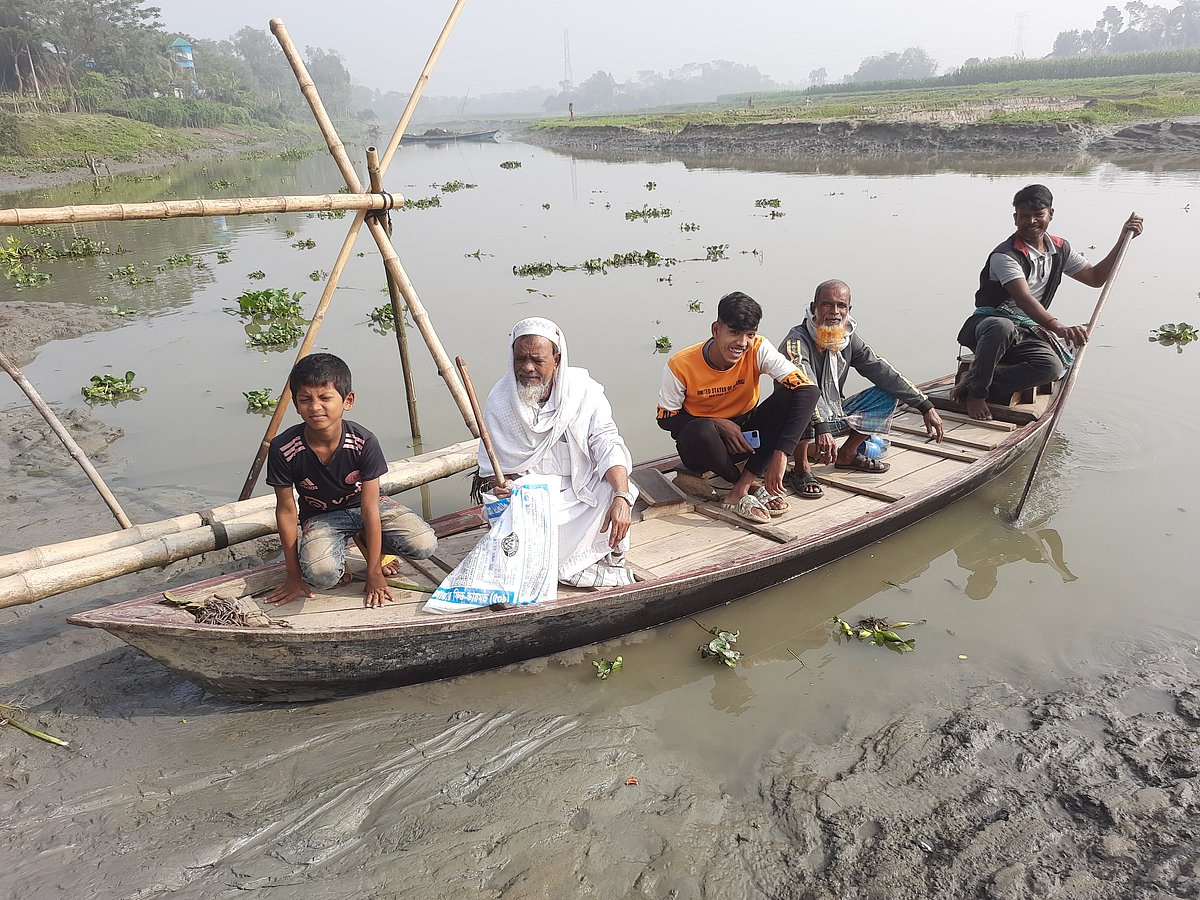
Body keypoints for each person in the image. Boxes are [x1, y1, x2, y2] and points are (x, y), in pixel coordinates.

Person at [951, 184, 1144, 420]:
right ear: (1015, 218)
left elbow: (1095, 278)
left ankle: (973, 380)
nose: (1031, 221)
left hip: (1026, 331)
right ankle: (977, 394)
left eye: (1038, 215)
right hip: (987, 329)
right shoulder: (1005, 255)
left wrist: (1122, 239)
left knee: (1050, 368)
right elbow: (1024, 299)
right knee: (1002, 326)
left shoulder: (1060, 249)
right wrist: (1059, 327)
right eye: (1024, 216)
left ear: (1050, 214)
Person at [263, 353, 437, 608]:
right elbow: (287, 511)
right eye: (305, 399)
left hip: (366, 507)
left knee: (424, 545)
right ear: (296, 404)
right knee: (321, 576)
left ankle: (367, 542)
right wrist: (293, 575)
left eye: (324, 398)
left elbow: (370, 507)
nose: (315, 407)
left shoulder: (363, 442)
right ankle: (343, 549)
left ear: (348, 400)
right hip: (322, 516)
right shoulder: (284, 448)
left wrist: (374, 571)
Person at [477, 317, 638, 588]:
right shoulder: (500, 399)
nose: (527, 368)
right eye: (520, 359)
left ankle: (590, 558)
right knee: (508, 513)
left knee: (618, 489)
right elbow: (496, 468)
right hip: (532, 497)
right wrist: (503, 485)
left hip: (581, 491)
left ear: (557, 359)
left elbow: (607, 442)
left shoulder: (583, 391)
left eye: (537, 360)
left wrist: (621, 496)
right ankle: (574, 568)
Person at [656, 291, 820, 524]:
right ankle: (743, 484)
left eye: (749, 334)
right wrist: (718, 424)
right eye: (734, 333)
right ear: (716, 330)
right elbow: (666, 419)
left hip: (746, 438)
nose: (742, 343)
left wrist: (782, 453)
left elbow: (808, 390)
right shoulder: (681, 365)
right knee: (700, 430)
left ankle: (742, 486)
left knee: (792, 397)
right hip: (702, 445)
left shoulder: (758, 349)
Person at [778, 279, 945, 498]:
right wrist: (823, 427)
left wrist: (924, 405)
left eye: (841, 306)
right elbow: (805, 387)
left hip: (832, 412)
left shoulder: (847, 339)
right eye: (827, 304)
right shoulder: (797, 342)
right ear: (813, 308)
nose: (834, 312)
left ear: (848, 310)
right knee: (800, 401)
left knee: (887, 393)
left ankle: (847, 453)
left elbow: (882, 370)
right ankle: (801, 468)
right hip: (796, 419)